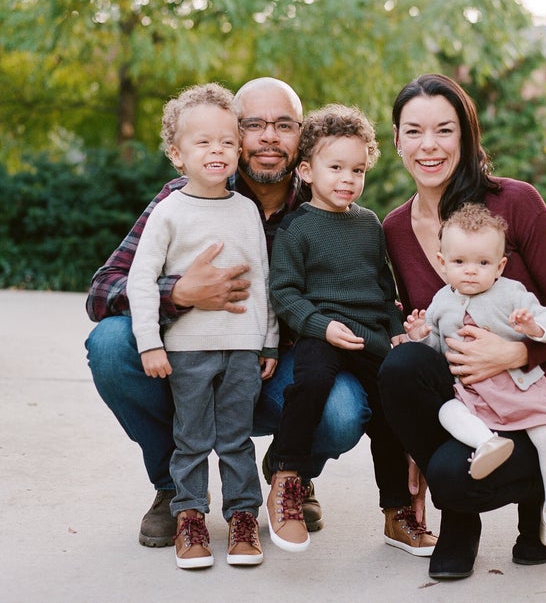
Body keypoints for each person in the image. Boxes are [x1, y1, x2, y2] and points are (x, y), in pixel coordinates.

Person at [84, 78, 370, 549]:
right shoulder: (184, 196)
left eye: (283, 124)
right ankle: (174, 489)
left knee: (342, 409)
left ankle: (289, 471)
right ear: (234, 135)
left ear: (302, 137)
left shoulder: (331, 203)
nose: (269, 137)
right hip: (189, 360)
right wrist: (179, 292)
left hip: (274, 370)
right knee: (111, 345)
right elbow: (103, 290)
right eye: (252, 125)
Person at [379, 73, 546, 580]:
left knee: (466, 475)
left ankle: (544, 487)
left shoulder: (516, 202)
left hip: (540, 394)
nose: (428, 145)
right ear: (396, 139)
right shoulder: (393, 228)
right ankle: (461, 521)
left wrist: (514, 353)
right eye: (413, 131)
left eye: (444, 130)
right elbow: (425, 340)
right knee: (401, 363)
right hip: (473, 407)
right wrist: (415, 443)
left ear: (466, 137)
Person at [266, 103, 437, 556]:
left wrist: (398, 329)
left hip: (371, 336)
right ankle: (287, 476)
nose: (347, 179)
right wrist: (321, 326)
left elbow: (384, 288)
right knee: (313, 382)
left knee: (389, 413)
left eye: (357, 169)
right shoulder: (295, 227)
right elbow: (284, 293)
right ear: (306, 170)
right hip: (322, 334)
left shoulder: (368, 224)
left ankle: (397, 513)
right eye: (336, 167)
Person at [126, 83, 279, 569]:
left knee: (235, 439)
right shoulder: (169, 211)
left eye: (227, 142)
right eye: (202, 142)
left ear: (238, 149)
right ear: (177, 154)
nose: (216, 151)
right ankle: (189, 516)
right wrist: (150, 343)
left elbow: (263, 279)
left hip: (241, 350)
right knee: (190, 438)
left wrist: (268, 341)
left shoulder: (246, 210)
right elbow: (139, 279)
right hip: (187, 351)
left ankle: (241, 518)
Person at [403, 202, 546, 550]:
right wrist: (421, 335)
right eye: (459, 262)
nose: (470, 272)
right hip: (473, 396)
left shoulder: (511, 293)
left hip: (518, 387)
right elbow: (435, 348)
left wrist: (532, 326)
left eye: (482, 263)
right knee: (448, 412)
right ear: (442, 262)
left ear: (500, 266)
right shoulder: (440, 302)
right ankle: (487, 442)